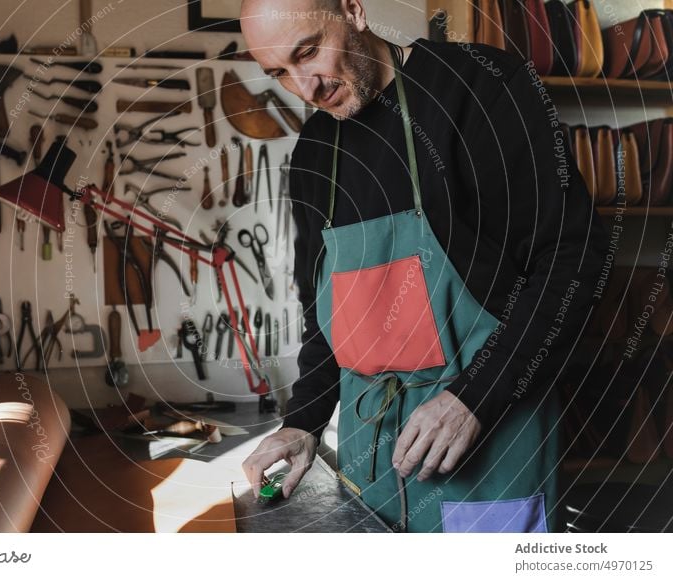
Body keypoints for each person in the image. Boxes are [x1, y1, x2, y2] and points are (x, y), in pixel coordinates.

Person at [239, 0, 609, 532]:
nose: (306, 88)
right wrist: (303, 424)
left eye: (309, 51)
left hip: (489, 435)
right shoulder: (316, 153)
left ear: (352, 11)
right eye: (279, 73)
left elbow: (574, 260)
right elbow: (324, 318)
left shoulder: (482, 88)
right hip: (373, 459)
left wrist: (473, 398)